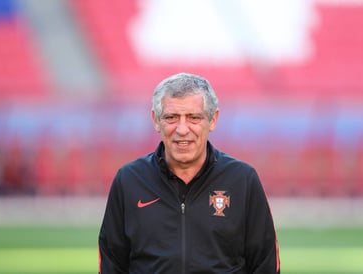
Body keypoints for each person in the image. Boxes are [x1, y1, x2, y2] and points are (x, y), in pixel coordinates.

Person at [98, 72, 280, 274]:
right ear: (156, 120)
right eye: (171, 117)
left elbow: (266, 264)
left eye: (194, 117)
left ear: (212, 120)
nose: (182, 129)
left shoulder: (242, 179)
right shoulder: (129, 181)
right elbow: (111, 264)